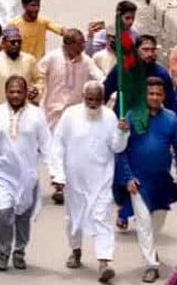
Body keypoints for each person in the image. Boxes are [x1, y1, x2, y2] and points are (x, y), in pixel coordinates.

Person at [51, 81, 129, 281]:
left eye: (97, 100)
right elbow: (57, 145)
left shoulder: (110, 116)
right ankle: (76, 251)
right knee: (73, 219)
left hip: (101, 178)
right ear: (84, 98)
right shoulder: (70, 115)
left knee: (101, 217)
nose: (93, 104)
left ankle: (104, 262)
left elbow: (117, 148)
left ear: (103, 99)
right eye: (90, 99)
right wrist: (58, 174)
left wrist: (122, 132)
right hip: (74, 180)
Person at [115, 76, 177, 282]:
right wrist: (128, 177)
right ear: (144, 95)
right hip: (138, 182)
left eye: (158, 94)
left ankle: (150, 249)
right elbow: (120, 151)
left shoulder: (171, 118)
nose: (154, 97)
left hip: (162, 181)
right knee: (144, 223)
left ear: (164, 95)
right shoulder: (131, 116)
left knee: (157, 222)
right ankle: (150, 264)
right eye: (151, 94)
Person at [0, 75, 50, 271]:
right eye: (11, 91)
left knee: (23, 216)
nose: (15, 95)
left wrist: (56, 174)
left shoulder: (36, 114)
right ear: (6, 92)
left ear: (26, 93)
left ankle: (19, 251)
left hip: (27, 175)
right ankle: (3, 251)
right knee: (3, 212)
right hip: (3, 173)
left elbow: (47, 144)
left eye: (19, 92)